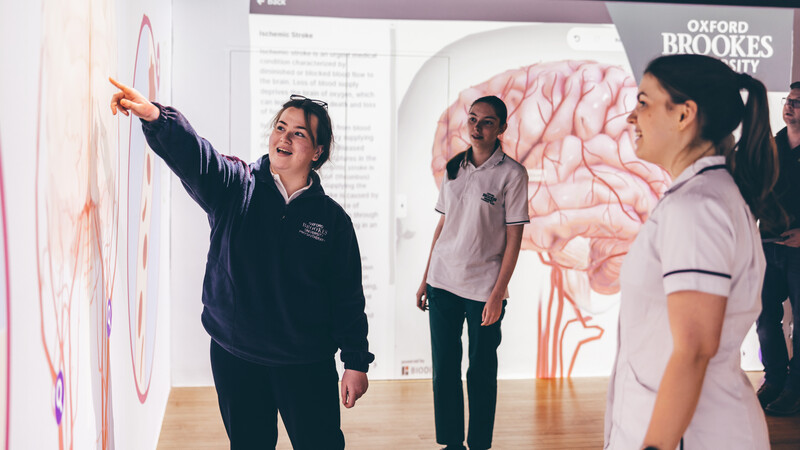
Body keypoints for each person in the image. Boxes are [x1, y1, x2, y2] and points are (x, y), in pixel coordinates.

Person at [109, 78, 374, 449]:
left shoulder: (332, 221)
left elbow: (347, 296)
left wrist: (356, 361)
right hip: (237, 356)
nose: (284, 137)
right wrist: (156, 117)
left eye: (299, 133)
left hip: (305, 362)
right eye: (281, 127)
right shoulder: (236, 187)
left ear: (317, 151)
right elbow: (197, 157)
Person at [604, 54, 785, 450]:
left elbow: (694, 349)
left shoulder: (698, 206)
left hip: (694, 435)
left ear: (685, 114)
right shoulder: (699, 196)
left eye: (644, 102)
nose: (631, 118)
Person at [416, 95, 529, 450]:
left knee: (481, 373)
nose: (477, 128)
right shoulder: (454, 167)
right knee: (444, 371)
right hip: (442, 282)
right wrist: (425, 278)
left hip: (484, 290)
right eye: (472, 119)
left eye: (487, 122)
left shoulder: (512, 174)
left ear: (502, 129)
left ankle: (479, 444)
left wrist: (498, 294)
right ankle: (451, 443)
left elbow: (514, 239)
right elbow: (443, 226)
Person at [756, 81, 800, 416]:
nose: (790, 107)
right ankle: (773, 379)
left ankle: (794, 389)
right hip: (767, 245)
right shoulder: (771, 146)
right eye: (789, 101)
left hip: (799, 251)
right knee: (765, 317)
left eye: (798, 103)